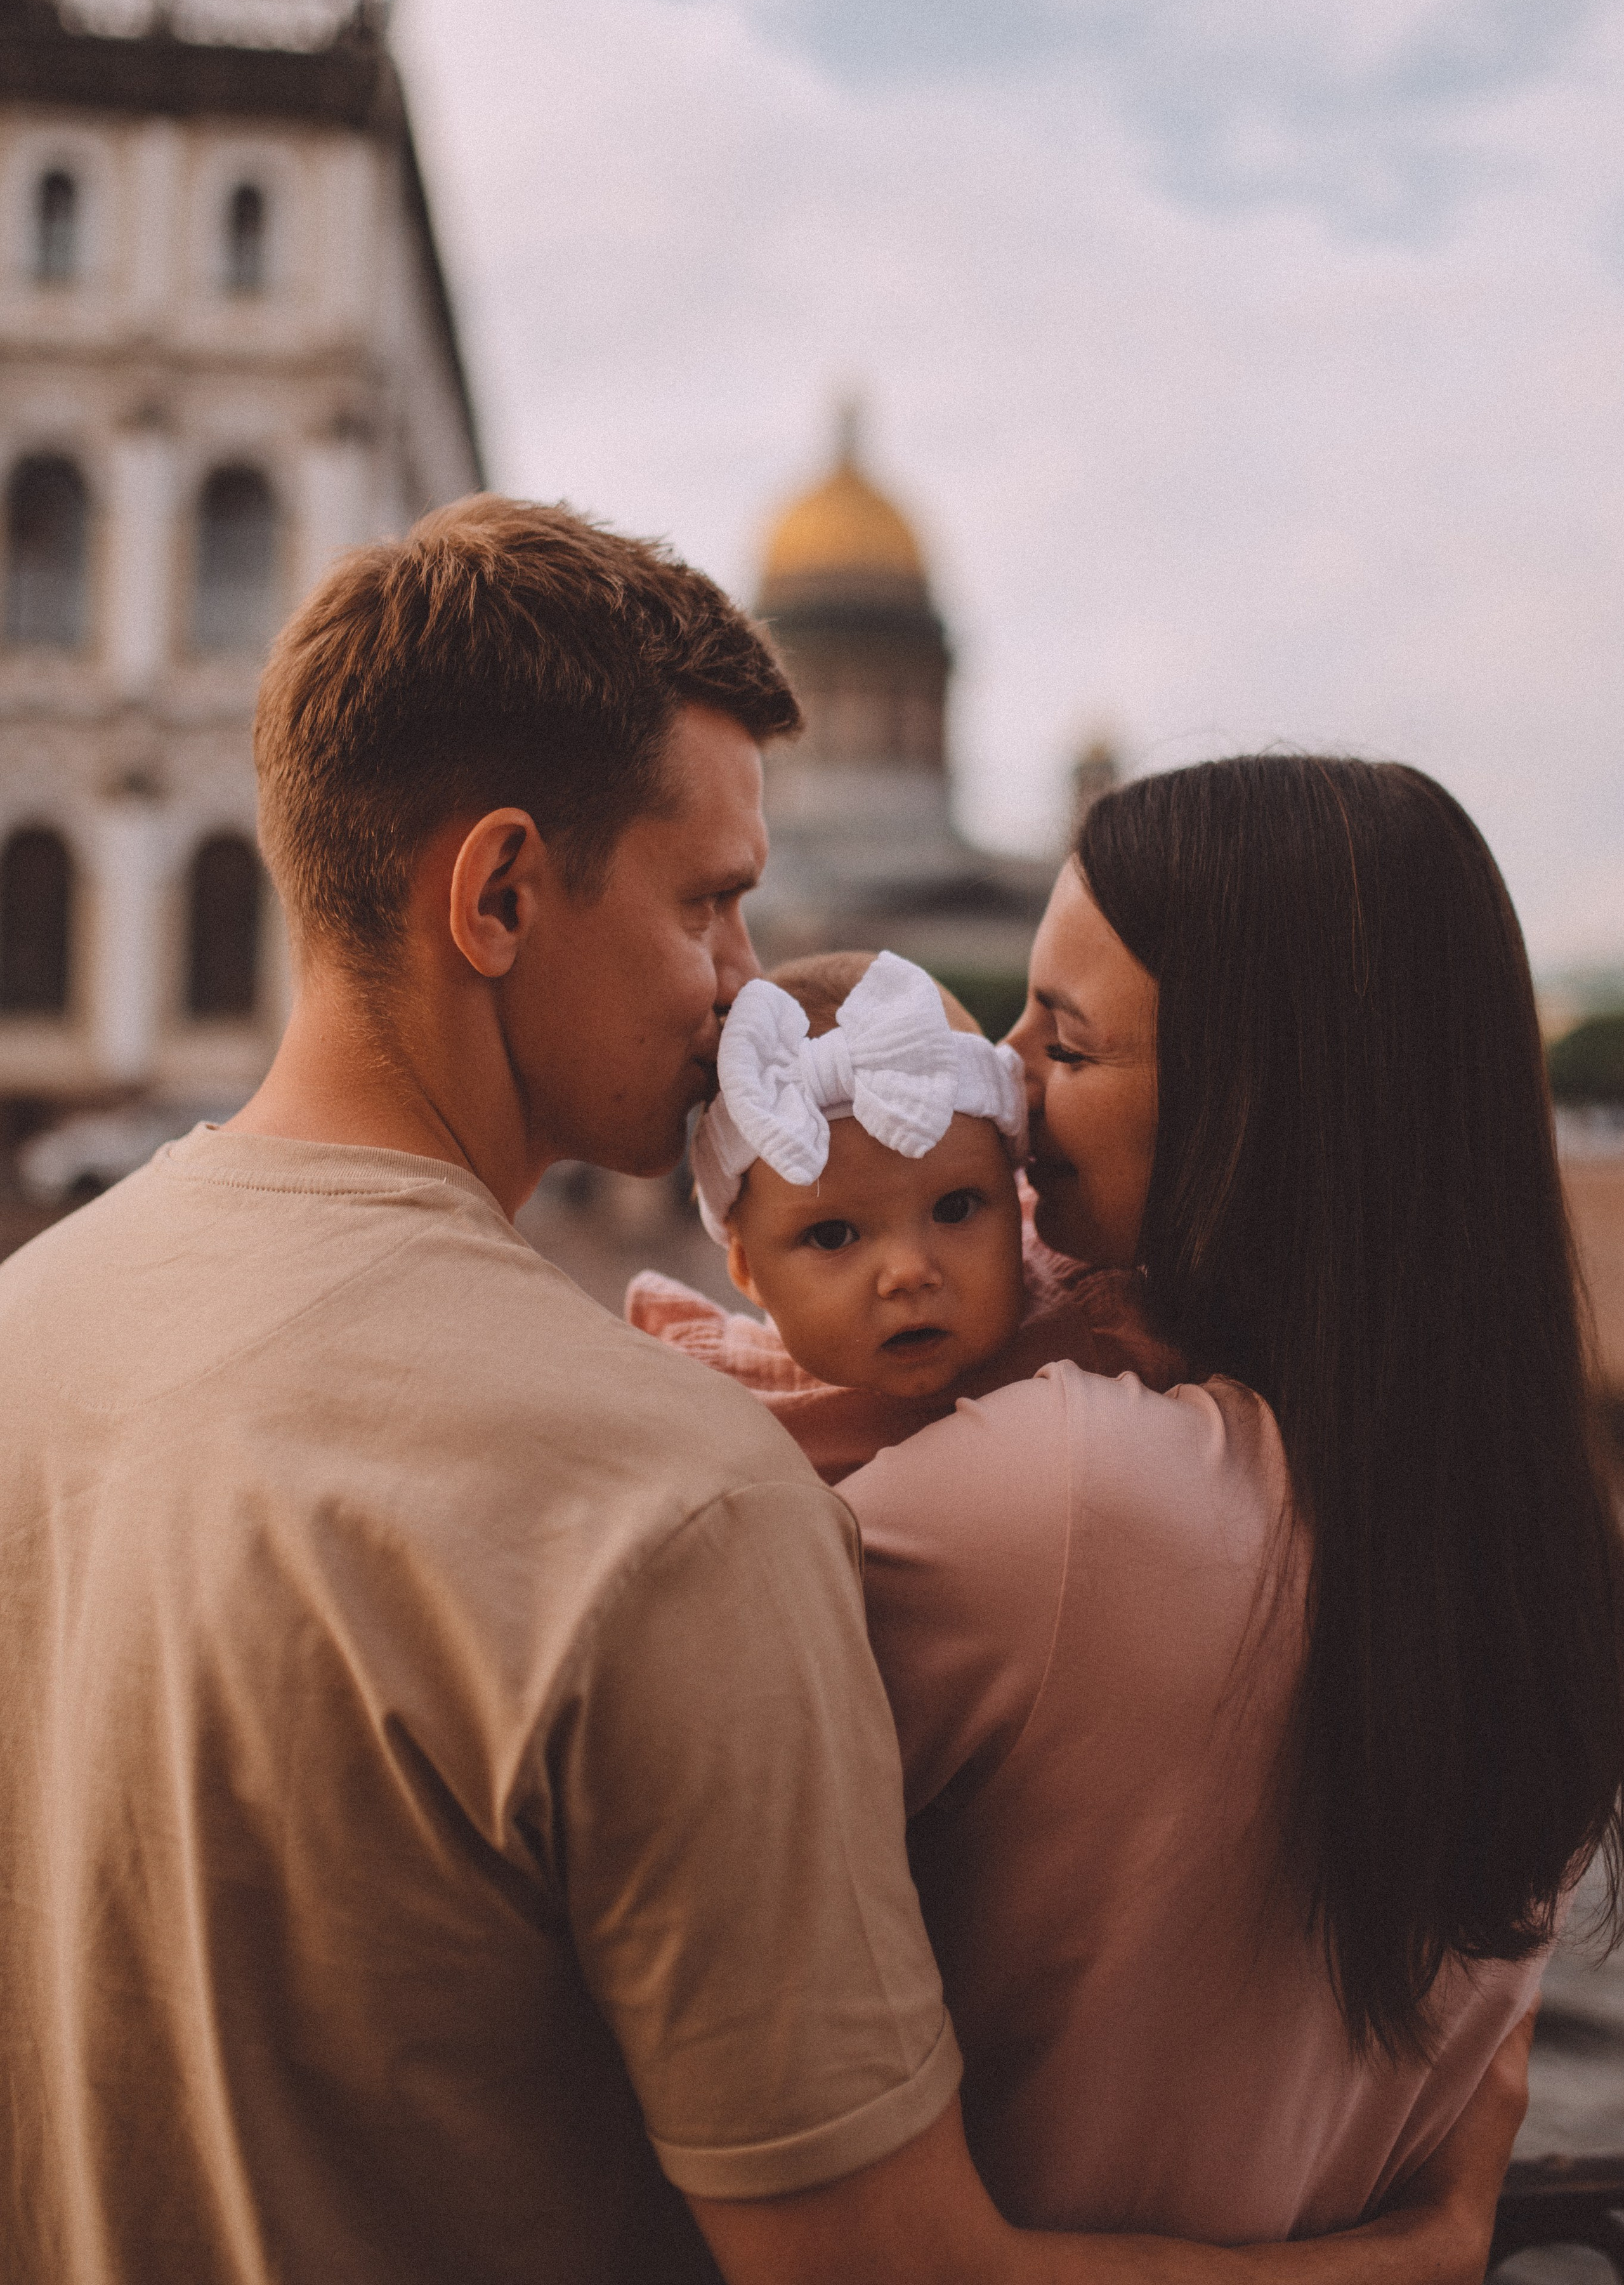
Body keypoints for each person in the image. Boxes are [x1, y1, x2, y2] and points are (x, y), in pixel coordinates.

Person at [0, 503, 1528, 2285]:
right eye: (713, 906)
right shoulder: (680, 1498)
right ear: (496, 895)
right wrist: (1409, 2263)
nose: (753, 997)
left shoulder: (35, 1317)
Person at [837, 758, 1624, 2240]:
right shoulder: (1530, 1550)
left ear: (1252, 1107)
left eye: (1059, 1042)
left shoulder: (1068, 1486)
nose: (991, 1076)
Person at [629, 949, 1184, 1475]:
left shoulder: (1097, 1329)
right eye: (832, 1234)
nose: (909, 1272)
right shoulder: (717, 1402)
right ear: (747, 1270)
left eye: (955, 1208)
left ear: (1016, 1199)